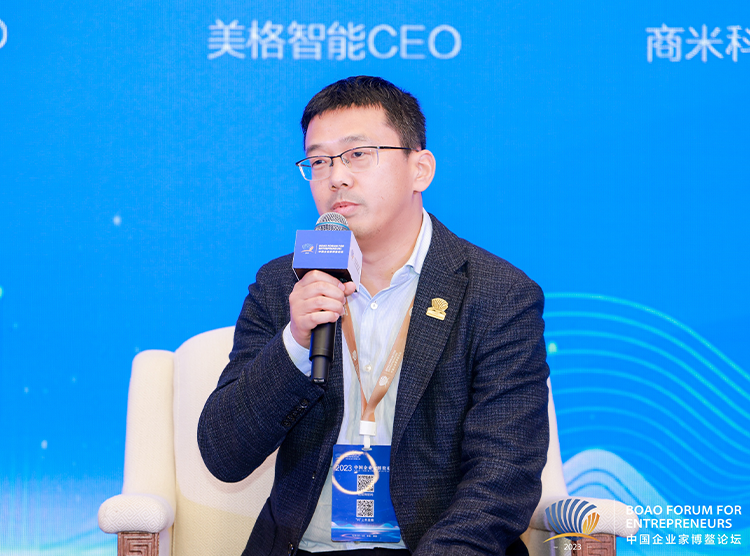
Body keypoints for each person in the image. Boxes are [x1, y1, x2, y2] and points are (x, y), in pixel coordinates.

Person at [198, 76, 549, 556]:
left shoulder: (498, 295)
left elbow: (503, 477)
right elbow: (223, 454)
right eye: (319, 161)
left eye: (358, 154)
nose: (336, 177)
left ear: (420, 169)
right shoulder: (284, 284)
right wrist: (296, 342)